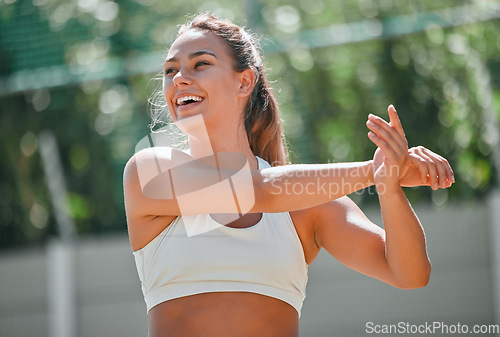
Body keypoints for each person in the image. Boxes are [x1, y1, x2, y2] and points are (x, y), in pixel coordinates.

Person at [123, 13, 454, 337]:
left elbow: (410, 273)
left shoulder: (306, 204)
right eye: (170, 70)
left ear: (244, 81)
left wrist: (389, 187)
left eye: (201, 64)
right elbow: (257, 191)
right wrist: (374, 171)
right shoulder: (149, 171)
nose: (179, 77)